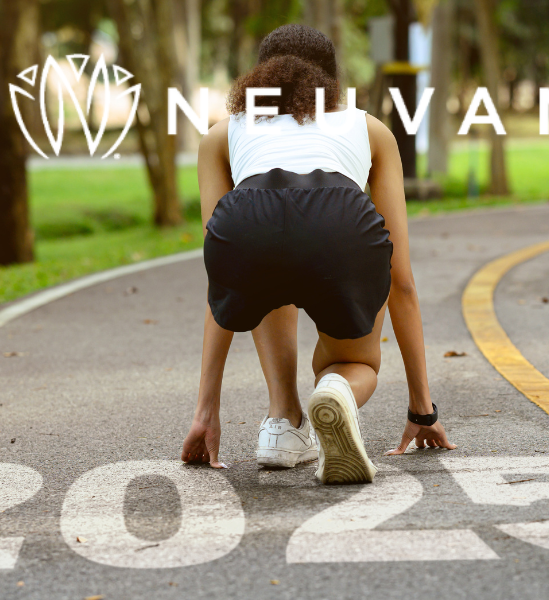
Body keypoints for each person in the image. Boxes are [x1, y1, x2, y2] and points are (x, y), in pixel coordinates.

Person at [180, 24, 454, 485]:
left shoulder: (222, 135)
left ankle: (282, 424)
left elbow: (224, 277)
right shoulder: (369, 128)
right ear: (330, 80)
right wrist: (422, 408)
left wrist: (206, 412)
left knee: (263, 265)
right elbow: (400, 278)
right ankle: (336, 389)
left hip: (251, 223)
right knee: (357, 361)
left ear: (259, 76)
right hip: (340, 219)